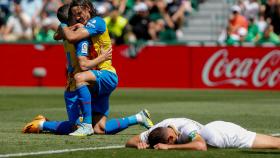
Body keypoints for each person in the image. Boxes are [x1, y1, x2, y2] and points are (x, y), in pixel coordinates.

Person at [22, 3, 154, 136]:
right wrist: (65, 27)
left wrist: (101, 57)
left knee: (76, 125)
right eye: (74, 15)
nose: (78, 18)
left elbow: (80, 58)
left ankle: (44, 124)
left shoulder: (89, 29)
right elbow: (57, 35)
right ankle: (138, 117)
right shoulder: (70, 31)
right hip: (86, 81)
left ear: (88, 9)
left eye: (79, 14)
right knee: (100, 129)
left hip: (98, 76)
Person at [126, 118, 280, 150]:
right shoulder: (158, 130)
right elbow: (130, 141)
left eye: (168, 143)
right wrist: (142, 144)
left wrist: (169, 148)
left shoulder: (186, 128)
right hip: (213, 132)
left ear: (171, 138)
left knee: (274, 144)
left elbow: (201, 146)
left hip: (220, 133)